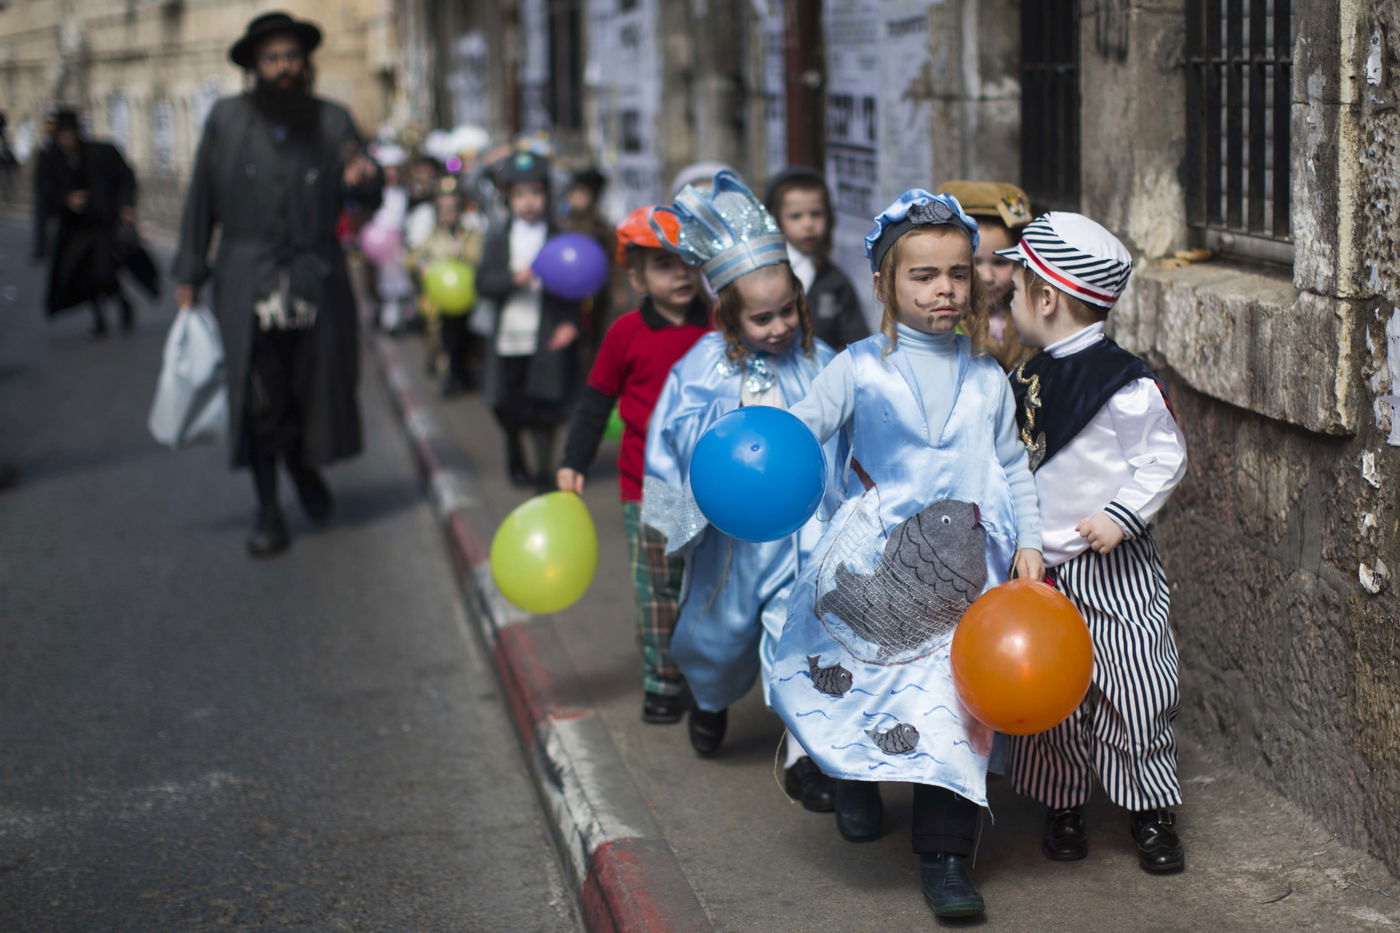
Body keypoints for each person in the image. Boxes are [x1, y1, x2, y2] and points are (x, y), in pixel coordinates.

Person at [769, 190, 1043, 920]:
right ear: (885, 284)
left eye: (959, 271)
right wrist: (759, 444)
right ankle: (855, 783)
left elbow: (1013, 466)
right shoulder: (858, 368)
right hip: (875, 573)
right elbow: (803, 433)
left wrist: (1030, 543)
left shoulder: (988, 380)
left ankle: (946, 856)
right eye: (923, 274)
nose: (945, 287)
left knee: (957, 713)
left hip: (966, 584)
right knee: (864, 688)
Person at [642, 171, 843, 811]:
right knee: (718, 635)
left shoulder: (820, 363)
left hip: (804, 538)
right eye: (761, 318)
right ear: (728, 314)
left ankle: (808, 751)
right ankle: (707, 698)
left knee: (802, 632)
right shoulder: (699, 370)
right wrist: (672, 521)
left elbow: (848, 433)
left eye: (789, 311)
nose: (779, 326)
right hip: (729, 544)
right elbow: (666, 442)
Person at [998, 213, 1189, 874]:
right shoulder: (1026, 379)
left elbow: (1162, 459)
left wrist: (1120, 514)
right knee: (1052, 696)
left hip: (1115, 565)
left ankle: (1150, 809)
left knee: (1136, 686)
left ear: (1045, 298)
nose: (1008, 299)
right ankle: (1063, 804)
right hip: (1046, 570)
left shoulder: (1125, 384)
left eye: (1014, 288)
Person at [171, 11, 383, 557]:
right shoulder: (225, 120)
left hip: (316, 276)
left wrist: (366, 181)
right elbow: (202, 199)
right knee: (260, 400)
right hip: (248, 279)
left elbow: (366, 192)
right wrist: (191, 270)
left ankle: (305, 469)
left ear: (304, 63)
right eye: (272, 58)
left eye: (291, 57)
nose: (284, 67)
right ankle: (269, 510)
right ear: (254, 67)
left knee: (311, 390)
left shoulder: (334, 121)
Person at [555, 205, 710, 725]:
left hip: (715, 484)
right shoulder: (624, 334)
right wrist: (574, 459)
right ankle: (664, 682)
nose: (682, 273)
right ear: (637, 276)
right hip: (650, 486)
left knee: (707, 586)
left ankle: (708, 680)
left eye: (688, 260)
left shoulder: (718, 327)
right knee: (660, 590)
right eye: (664, 265)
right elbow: (596, 400)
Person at [476, 150, 581, 491]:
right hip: (506, 337)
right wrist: (512, 280)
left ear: (547, 196)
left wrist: (570, 322)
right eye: (520, 194)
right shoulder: (497, 237)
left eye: (536, 193)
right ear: (508, 198)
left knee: (546, 407)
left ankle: (543, 471)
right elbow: (482, 283)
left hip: (544, 334)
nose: (529, 202)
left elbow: (574, 284)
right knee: (505, 404)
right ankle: (514, 451)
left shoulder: (558, 237)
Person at [32, 109, 141, 337]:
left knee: (103, 272)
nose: (66, 140)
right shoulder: (49, 161)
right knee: (82, 275)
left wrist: (126, 205)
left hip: (102, 224)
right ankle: (100, 320)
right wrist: (66, 200)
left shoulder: (100, 152)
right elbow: (44, 196)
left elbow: (125, 177)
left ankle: (122, 304)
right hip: (73, 229)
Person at [763, 166, 868, 351]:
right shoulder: (763, 273)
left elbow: (857, 343)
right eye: (795, 216)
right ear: (775, 220)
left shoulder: (835, 281)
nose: (808, 224)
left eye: (816, 214)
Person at [936, 180, 1033, 370]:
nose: (987, 277)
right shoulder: (935, 323)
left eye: (1000, 262)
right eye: (974, 263)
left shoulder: (1030, 316)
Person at [407, 177, 485, 391]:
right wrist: (423, 269)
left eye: (453, 208)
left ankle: (467, 373)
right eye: (443, 209)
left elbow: (478, 259)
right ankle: (448, 374)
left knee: (469, 339)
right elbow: (414, 259)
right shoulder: (431, 237)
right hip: (441, 303)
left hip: (468, 299)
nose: (448, 214)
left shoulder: (470, 235)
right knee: (443, 338)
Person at [559, 167, 616, 357]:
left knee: (593, 337)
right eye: (572, 192)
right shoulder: (562, 225)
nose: (575, 198)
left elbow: (614, 262)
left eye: (581, 193)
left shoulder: (601, 229)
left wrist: (618, 289)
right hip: (565, 292)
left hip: (597, 294)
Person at [366, 143, 414, 333]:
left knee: (404, 282)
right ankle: (389, 318)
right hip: (381, 245)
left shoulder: (404, 193)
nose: (391, 174)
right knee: (387, 283)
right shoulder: (377, 193)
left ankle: (407, 315)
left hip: (399, 245)